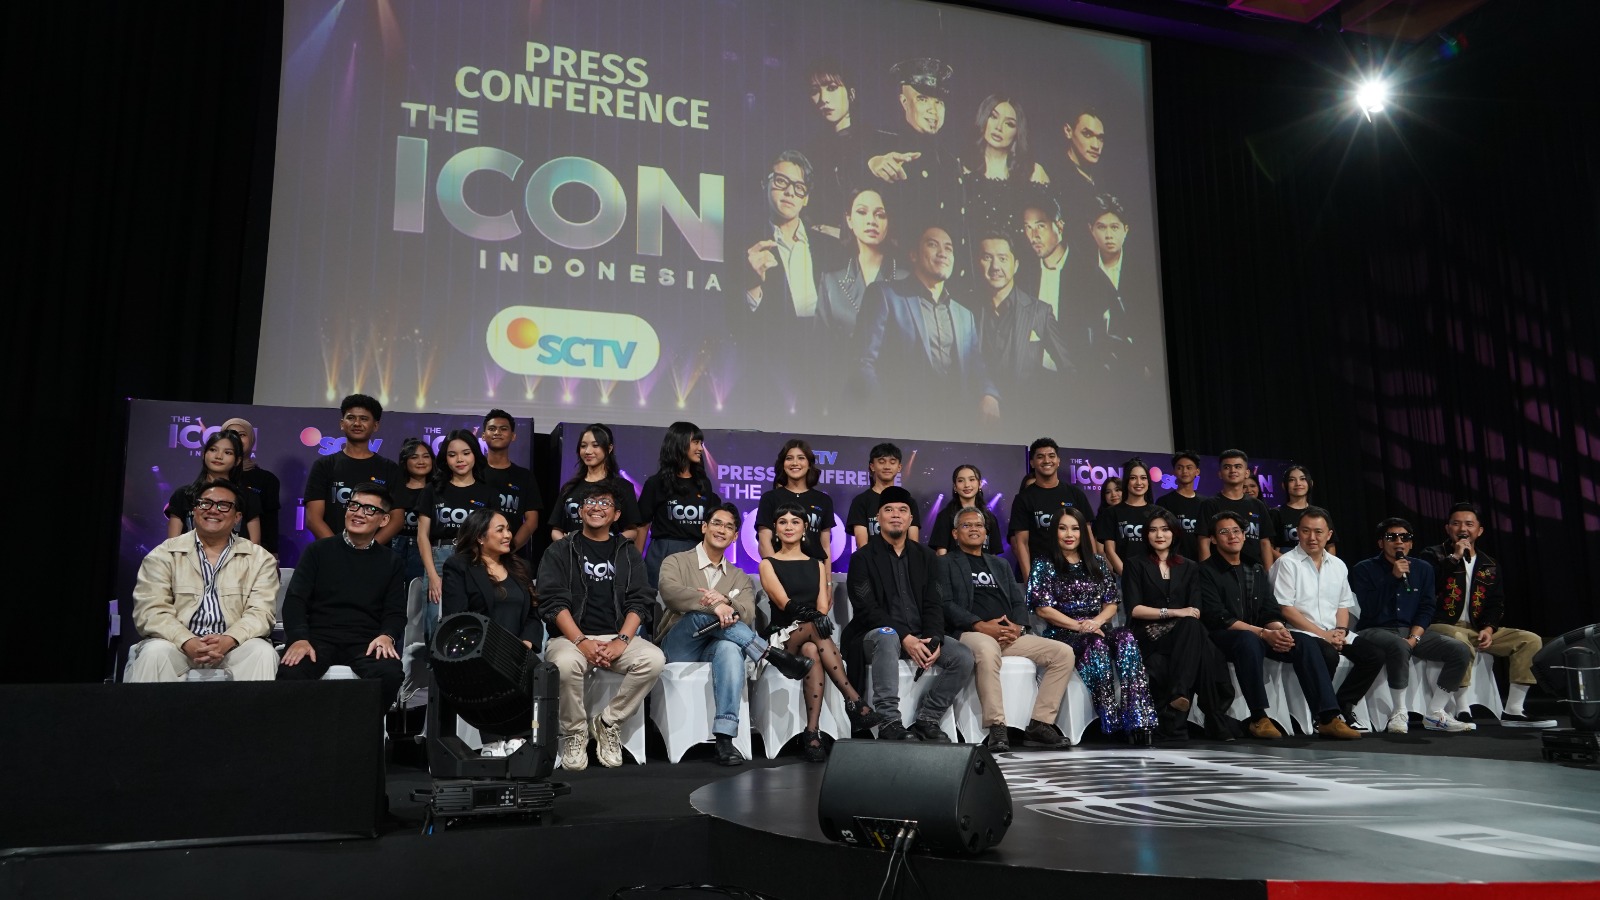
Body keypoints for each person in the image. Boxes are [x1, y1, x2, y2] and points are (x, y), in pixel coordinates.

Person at [658, 503, 816, 766]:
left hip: (717, 645)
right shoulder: (676, 561)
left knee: (731, 649)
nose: (722, 530)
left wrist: (727, 604)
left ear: (734, 537)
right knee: (700, 615)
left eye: (729, 527)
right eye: (717, 523)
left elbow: (748, 613)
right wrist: (714, 606)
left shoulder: (740, 577)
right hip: (681, 643)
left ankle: (724, 738)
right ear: (704, 527)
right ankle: (770, 654)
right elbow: (670, 593)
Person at [1199, 510, 1363, 740]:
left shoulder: (1255, 567)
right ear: (1214, 539)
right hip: (1224, 636)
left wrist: (1279, 630)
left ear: (1244, 535)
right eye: (1224, 532)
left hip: (1261, 633)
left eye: (1236, 531)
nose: (1232, 536)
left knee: (1304, 642)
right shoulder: (1205, 570)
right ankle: (1259, 717)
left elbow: (1269, 609)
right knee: (1248, 641)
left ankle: (1327, 717)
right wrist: (1263, 633)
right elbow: (1218, 617)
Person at [538, 480, 665, 770]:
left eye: (605, 503)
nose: (597, 508)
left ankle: (608, 722)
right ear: (580, 511)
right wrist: (581, 641)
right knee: (564, 665)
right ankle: (574, 732)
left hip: (615, 636)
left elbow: (640, 601)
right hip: (570, 638)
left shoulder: (628, 552)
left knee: (653, 659)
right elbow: (553, 602)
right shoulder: (560, 550)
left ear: (616, 514)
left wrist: (622, 641)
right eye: (591, 503)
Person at [841, 486, 974, 742]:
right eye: (889, 510)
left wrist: (934, 637)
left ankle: (928, 718)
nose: (896, 515)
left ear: (910, 519)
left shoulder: (927, 557)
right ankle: (888, 721)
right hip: (873, 636)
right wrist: (905, 637)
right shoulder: (862, 558)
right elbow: (867, 609)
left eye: (902, 510)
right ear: (878, 517)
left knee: (962, 656)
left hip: (919, 633)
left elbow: (934, 603)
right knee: (887, 635)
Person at [758, 501, 885, 761]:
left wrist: (818, 616)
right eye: (783, 522)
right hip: (783, 637)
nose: (789, 527)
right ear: (775, 529)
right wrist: (816, 618)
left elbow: (823, 606)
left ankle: (812, 733)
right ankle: (855, 700)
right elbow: (785, 604)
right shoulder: (768, 563)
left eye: (795, 522)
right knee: (813, 631)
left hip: (810, 638)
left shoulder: (816, 563)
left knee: (812, 650)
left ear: (805, 527)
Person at [938, 507, 1072, 751]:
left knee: (1062, 653)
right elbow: (945, 604)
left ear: (986, 532)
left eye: (979, 525)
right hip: (971, 633)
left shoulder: (1000, 564)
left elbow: (1018, 602)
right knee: (987, 649)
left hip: (1007, 634)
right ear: (955, 533)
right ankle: (997, 726)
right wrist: (978, 624)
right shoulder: (944, 563)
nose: (974, 529)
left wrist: (1018, 627)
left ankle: (1040, 724)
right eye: (967, 525)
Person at [1416, 502, 1554, 727]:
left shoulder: (1489, 564)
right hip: (1440, 625)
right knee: (1459, 641)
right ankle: (1462, 709)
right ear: (1448, 528)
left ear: (1479, 531)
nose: (1463, 529)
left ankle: (1513, 710)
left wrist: (1489, 629)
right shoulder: (1432, 555)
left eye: (1469, 524)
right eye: (1456, 523)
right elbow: (1428, 587)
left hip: (1476, 628)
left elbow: (1495, 603)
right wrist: (1455, 557)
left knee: (1529, 640)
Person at [128, 480, 279, 682]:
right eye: (205, 503)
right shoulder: (163, 554)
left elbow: (261, 613)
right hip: (176, 645)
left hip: (234, 647)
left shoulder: (259, 559)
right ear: (194, 510)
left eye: (223, 505)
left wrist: (228, 639)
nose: (213, 510)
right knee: (154, 653)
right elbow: (151, 611)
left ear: (237, 517)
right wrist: (187, 640)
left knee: (262, 652)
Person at [1028, 507, 1157, 738]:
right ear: (1054, 532)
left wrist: (1095, 622)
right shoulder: (1044, 563)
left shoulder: (1097, 562)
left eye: (1075, 528)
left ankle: (1138, 719)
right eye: (1063, 528)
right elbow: (1043, 609)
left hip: (1096, 627)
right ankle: (1111, 722)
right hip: (1063, 633)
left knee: (1126, 637)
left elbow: (1112, 604)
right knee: (1096, 645)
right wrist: (1079, 626)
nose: (1069, 534)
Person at [855, 225, 999, 425]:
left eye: (948, 248)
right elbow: (863, 362)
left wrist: (989, 394)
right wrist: (885, 415)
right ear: (913, 255)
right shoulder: (885, 295)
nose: (943, 253)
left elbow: (977, 366)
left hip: (954, 426)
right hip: (901, 424)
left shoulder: (965, 315)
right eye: (933, 245)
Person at [277, 485, 405, 707]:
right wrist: (299, 638)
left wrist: (387, 635)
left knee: (390, 674)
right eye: (354, 505)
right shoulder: (318, 551)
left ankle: (362, 729)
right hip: (318, 638)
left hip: (366, 641)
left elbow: (395, 611)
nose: (358, 513)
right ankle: (300, 730)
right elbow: (296, 600)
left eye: (369, 509)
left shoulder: (391, 561)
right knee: (291, 671)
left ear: (384, 520)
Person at [1349, 517, 1476, 733]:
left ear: (1411, 543)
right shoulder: (1364, 569)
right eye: (1391, 537)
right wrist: (1392, 578)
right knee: (1399, 645)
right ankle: (1399, 712)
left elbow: (1427, 607)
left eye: (1404, 537)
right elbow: (1368, 608)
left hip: (1411, 630)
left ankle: (1435, 712)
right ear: (1381, 543)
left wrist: (1415, 636)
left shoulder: (1423, 569)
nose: (1399, 541)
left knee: (1460, 650)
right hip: (1374, 629)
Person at [1123, 508, 1239, 742]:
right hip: (1149, 634)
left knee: (1192, 627)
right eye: (1153, 530)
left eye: (1165, 529)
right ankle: (1213, 717)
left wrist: (1183, 616)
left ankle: (1178, 700)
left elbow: (1195, 611)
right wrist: (1174, 612)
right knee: (1204, 646)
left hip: (1183, 635)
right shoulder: (1135, 564)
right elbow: (1134, 609)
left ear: (1174, 533)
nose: (1159, 535)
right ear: (1146, 535)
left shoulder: (1189, 566)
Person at [1270, 506, 1388, 730]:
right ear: (1298, 532)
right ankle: (1323, 716)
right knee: (1328, 655)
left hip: (1333, 631)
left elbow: (1343, 604)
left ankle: (1343, 705)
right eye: (1305, 531)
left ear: (1329, 534)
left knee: (1375, 655)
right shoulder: (1287, 563)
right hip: (1301, 632)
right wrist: (1324, 635)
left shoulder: (1338, 565)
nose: (1312, 537)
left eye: (1318, 532)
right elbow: (1285, 609)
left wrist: (1340, 632)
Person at [441, 509, 543, 757]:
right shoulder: (459, 566)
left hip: (518, 651)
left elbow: (533, 615)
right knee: (491, 672)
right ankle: (493, 739)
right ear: (479, 536)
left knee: (537, 671)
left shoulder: (520, 567)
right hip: (478, 651)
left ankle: (520, 737)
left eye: (508, 529)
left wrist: (527, 642)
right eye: (500, 530)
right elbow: (458, 617)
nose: (508, 535)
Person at [862, 57, 971, 282]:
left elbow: (960, 231)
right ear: (904, 102)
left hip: (945, 282)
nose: (933, 109)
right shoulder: (883, 146)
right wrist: (872, 163)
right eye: (922, 99)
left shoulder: (951, 161)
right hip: (899, 279)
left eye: (939, 102)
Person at [974, 232, 1072, 407]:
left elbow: (1068, 369)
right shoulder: (967, 309)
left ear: (1016, 265)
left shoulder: (1040, 312)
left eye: (1003, 259)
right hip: (977, 413)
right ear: (978, 263)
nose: (995, 266)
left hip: (1026, 414)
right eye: (987, 258)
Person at [417, 430, 498, 634]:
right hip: (439, 559)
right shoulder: (432, 490)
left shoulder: (487, 492)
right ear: (445, 458)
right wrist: (433, 575)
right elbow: (422, 536)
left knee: (475, 621)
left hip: (476, 559)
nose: (459, 459)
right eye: (452, 455)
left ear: (475, 455)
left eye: (466, 453)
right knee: (436, 624)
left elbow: (493, 535)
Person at [1070, 195, 1151, 378]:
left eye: (1114, 227)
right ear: (1091, 230)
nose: (1108, 235)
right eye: (1101, 227)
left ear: (1125, 230)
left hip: (1138, 366)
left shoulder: (1143, 273)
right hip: (1092, 366)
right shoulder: (1079, 270)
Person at [303, 394, 403, 541]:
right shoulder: (324, 465)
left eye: (364, 419)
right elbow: (313, 519)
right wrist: (338, 549)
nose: (357, 423)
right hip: (331, 551)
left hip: (374, 552)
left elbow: (397, 519)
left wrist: (368, 548)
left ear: (375, 426)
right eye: (351, 418)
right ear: (342, 423)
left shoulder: (389, 468)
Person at [637, 422, 721, 589]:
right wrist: (636, 564)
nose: (700, 448)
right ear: (679, 443)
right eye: (695, 442)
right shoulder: (656, 483)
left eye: (701, 443)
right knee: (659, 603)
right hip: (663, 553)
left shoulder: (703, 483)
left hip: (696, 553)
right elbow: (642, 526)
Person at [963, 95, 1050, 255]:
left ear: (1018, 132)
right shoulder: (961, 169)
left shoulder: (1034, 173)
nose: (999, 127)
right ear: (983, 118)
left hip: (1021, 259)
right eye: (993, 117)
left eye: (1009, 124)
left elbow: (1049, 230)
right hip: (972, 258)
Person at [817, 187, 903, 342]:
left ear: (888, 222)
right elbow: (820, 346)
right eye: (862, 212)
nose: (871, 221)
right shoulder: (831, 282)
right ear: (849, 220)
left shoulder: (907, 279)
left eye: (880, 215)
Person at [1007, 438, 1095, 578]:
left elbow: (1088, 535)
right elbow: (1021, 543)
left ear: (1058, 461)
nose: (1047, 460)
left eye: (1051, 456)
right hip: (1042, 573)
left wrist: (1093, 570)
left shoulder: (1075, 494)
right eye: (1040, 457)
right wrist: (1029, 580)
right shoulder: (1023, 498)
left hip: (1076, 572)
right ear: (1032, 463)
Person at [802, 58, 867, 237]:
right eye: (815, 91)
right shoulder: (810, 152)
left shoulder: (873, 143)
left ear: (851, 94)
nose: (823, 99)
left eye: (831, 88)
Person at [549, 423, 642, 543]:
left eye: (595, 445)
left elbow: (632, 531)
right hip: (572, 553)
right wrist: (568, 545)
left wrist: (608, 546)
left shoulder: (623, 487)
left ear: (609, 448)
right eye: (583, 446)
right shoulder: (569, 488)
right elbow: (556, 530)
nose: (588, 451)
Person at [164, 430, 261, 545]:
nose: (218, 456)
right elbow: (172, 543)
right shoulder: (183, 495)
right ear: (203, 454)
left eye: (228, 452)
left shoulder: (248, 497)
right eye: (213, 450)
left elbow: (255, 545)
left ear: (238, 460)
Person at [756, 439, 836, 563]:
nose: (795, 463)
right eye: (789, 458)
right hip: (778, 569)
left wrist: (827, 575)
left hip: (814, 569)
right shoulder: (770, 498)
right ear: (783, 464)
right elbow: (764, 542)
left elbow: (825, 546)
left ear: (809, 464)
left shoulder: (823, 500)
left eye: (801, 458)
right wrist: (776, 569)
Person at [1198, 450, 1276, 568]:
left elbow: (1265, 542)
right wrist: (1207, 572)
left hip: (1254, 570)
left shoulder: (1258, 505)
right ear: (1220, 473)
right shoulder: (1209, 504)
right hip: (1220, 571)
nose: (1233, 470)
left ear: (1246, 473)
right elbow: (1204, 542)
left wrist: (1268, 574)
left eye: (1238, 466)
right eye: (1227, 467)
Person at [480, 410, 541, 556]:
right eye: (492, 428)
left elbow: (532, 521)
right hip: (476, 555)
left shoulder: (524, 476)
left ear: (513, 436)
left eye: (503, 429)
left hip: (512, 555)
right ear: (483, 435)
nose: (497, 432)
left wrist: (510, 548)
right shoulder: (474, 472)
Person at [219, 417, 282, 554]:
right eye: (230, 434)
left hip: (250, 554)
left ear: (252, 439)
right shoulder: (212, 477)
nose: (236, 439)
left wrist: (270, 556)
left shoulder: (267, 480)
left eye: (242, 435)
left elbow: (270, 525)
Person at [846, 442, 920, 548]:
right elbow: (861, 544)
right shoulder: (861, 501)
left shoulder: (908, 501)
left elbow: (914, 543)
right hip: (871, 558)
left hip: (902, 558)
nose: (887, 467)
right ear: (872, 466)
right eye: (881, 462)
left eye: (892, 462)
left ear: (899, 467)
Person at [1015, 199, 1074, 327]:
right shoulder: (1023, 275)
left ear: (1059, 226)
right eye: (1028, 227)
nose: (1034, 235)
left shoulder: (1086, 274)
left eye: (1040, 226)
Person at [1055, 105, 1106, 253]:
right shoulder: (1056, 177)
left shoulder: (1103, 179)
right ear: (1068, 131)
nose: (1096, 145)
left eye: (1100, 138)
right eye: (1087, 134)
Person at [928, 464, 1003, 556]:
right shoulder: (945, 516)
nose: (967, 485)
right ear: (955, 486)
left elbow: (993, 556)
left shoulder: (989, 518)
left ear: (979, 484)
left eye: (972, 480)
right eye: (961, 481)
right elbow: (941, 554)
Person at [1099, 458, 1155, 576]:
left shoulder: (1158, 513)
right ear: (1126, 481)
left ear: (1148, 481)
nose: (1139, 482)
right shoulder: (1112, 513)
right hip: (1124, 577)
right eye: (1133, 478)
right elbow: (1109, 550)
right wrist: (1127, 576)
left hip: (1154, 577)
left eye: (1143, 478)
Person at [388, 437, 434, 582]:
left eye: (426, 456)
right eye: (414, 457)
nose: (421, 461)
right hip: (395, 547)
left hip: (426, 550)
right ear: (405, 461)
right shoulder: (394, 489)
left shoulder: (438, 491)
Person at [1269, 464, 1336, 555]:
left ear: (1311, 483)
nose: (1298, 483)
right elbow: (1269, 547)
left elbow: (1330, 546)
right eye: (1292, 480)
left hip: (1316, 562)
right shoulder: (1276, 513)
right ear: (1284, 485)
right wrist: (1286, 561)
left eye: (1303, 479)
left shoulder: (1322, 514)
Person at [1158, 450, 1206, 560]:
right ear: (1174, 472)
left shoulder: (1205, 503)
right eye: (1180, 468)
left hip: (1202, 563)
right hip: (1174, 562)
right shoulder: (1164, 502)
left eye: (1189, 467)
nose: (1184, 471)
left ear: (1197, 471)